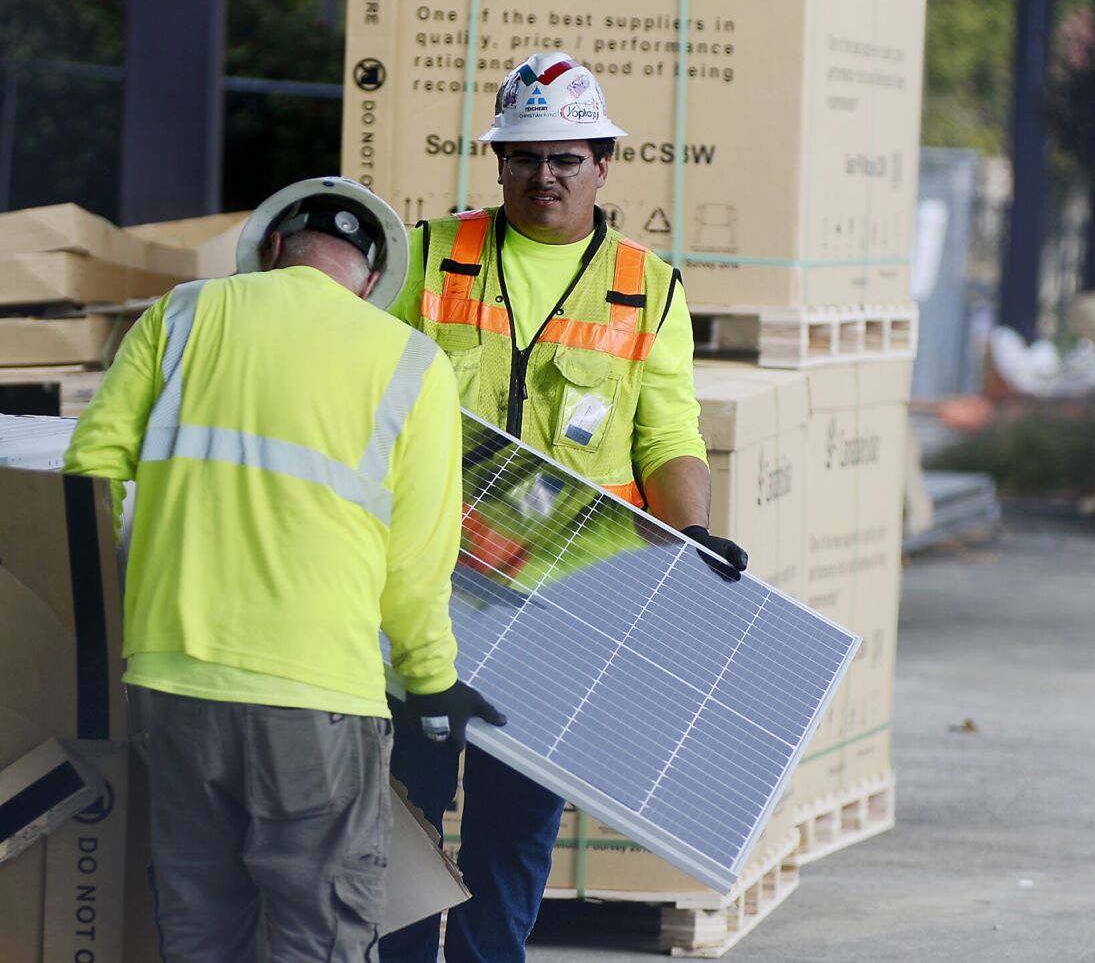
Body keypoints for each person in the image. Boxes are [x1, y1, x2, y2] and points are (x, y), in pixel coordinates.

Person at [63, 176, 505, 963]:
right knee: (318, 931)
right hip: (317, 697)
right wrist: (431, 678)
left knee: (199, 923)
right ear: (370, 280)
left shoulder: (183, 314)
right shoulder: (410, 363)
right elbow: (417, 558)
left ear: (273, 250)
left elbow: (92, 471)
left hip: (174, 681)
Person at [381, 53, 748, 963]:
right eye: (525, 156)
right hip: (426, 587)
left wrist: (690, 533)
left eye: (566, 158)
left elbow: (667, 436)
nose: (545, 175)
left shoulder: (646, 288)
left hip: (561, 607)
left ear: (602, 164)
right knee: (400, 807)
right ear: (498, 161)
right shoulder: (428, 256)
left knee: (512, 831)